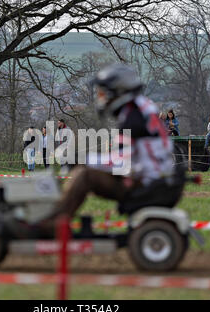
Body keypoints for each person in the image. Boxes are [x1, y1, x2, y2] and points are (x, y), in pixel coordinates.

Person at [32, 64, 185, 235]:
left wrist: (82, 159)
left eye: (103, 93)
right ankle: (56, 219)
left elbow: (121, 162)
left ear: (118, 91)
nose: (100, 98)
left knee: (84, 175)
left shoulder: (132, 117)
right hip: (155, 176)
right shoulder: (141, 108)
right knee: (86, 171)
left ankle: (53, 223)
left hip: (147, 181)